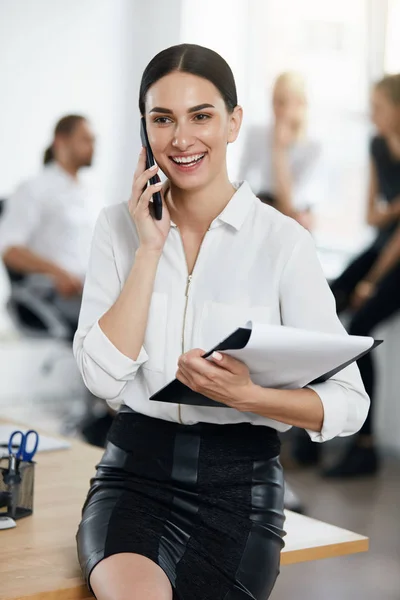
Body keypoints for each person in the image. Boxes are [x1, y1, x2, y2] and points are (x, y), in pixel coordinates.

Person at [73, 44, 369, 600]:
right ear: (145, 131)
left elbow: (349, 404)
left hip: (240, 487)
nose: (182, 139)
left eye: (201, 116)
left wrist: (249, 396)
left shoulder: (283, 243)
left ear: (233, 123)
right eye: (163, 119)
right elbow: (102, 380)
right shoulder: (117, 228)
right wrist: (147, 249)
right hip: (135, 472)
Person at [311, 74, 400, 478]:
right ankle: (308, 425)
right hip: (384, 243)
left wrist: (372, 283)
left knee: (360, 327)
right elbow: (372, 216)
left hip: (394, 253)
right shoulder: (378, 145)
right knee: (327, 301)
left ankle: (365, 446)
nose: (372, 115)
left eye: (378, 107)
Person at [0, 114, 98, 339]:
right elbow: (9, 249)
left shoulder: (90, 195)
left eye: (94, 140)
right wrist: (58, 273)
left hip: (91, 291)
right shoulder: (34, 189)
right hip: (55, 294)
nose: (93, 147)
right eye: (86, 139)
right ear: (60, 142)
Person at [240, 71, 322, 231]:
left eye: (283, 102)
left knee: (299, 223)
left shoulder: (313, 147)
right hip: (262, 204)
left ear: (300, 103)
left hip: (294, 214)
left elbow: (289, 205)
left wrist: (279, 148)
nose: (276, 109)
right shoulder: (256, 133)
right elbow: (242, 181)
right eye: (274, 101)